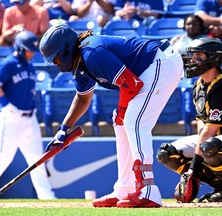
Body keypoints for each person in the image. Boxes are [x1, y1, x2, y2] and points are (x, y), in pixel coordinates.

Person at [39, 24, 183, 207]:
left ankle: (148, 191)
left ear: (66, 48)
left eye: (56, 57)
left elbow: (131, 84)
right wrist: (63, 129)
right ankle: (124, 189)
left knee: (133, 121)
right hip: (150, 69)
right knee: (121, 123)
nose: (55, 63)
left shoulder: (92, 52)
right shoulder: (81, 63)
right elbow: (82, 99)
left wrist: (122, 111)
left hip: (161, 62)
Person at [156, 37, 222, 202]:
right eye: (193, 55)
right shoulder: (199, 86)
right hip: (217, 140)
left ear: (213, 58)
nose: (193, 60)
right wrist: (193, 170)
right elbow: (202, 126)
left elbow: (209, 131)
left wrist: (193, 168)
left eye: (199, 55)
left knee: (208, 146)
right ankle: (220, 186)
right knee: (167, 154)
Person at [0, 30, 56, 200]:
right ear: (20, 48)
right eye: (29, 50)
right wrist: (6, 105)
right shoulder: (9, 63)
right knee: (2, 160)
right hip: (11, 118)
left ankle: (47, 197)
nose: (32, 53)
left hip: (30, 119)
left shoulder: (29, 65)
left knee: (37, 160)